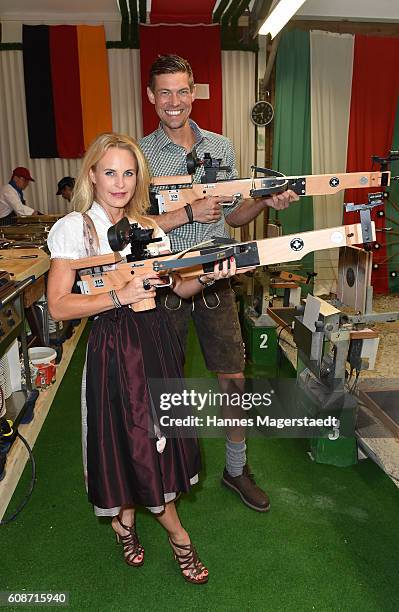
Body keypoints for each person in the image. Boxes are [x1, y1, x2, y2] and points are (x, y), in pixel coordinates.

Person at [47, 132, 236, 584]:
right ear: (92, 175)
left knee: (157, 435)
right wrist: (118, 294)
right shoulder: (75, 229)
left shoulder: (149, 229)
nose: (120, 182)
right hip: (114, 349)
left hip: (157, 342)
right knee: (130, 436)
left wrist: (213, 276)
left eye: (128, 173)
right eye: (110, 172)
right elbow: (58, 306)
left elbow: (179, 287)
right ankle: (178, 536)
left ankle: (124, 520)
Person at [139, 54, 299, 512]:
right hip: (164, 279)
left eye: (182, 90)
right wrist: (185, 214)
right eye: (164, 92)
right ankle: (157, 467)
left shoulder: (221, 148)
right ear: (151, 97)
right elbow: (133, 224)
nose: (174, 101)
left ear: (194, 93)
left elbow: (233, 214)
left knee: (232, 375)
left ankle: (235, 468)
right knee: (160, 379)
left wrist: (265, 201)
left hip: (217, 274)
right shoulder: (139, 155)